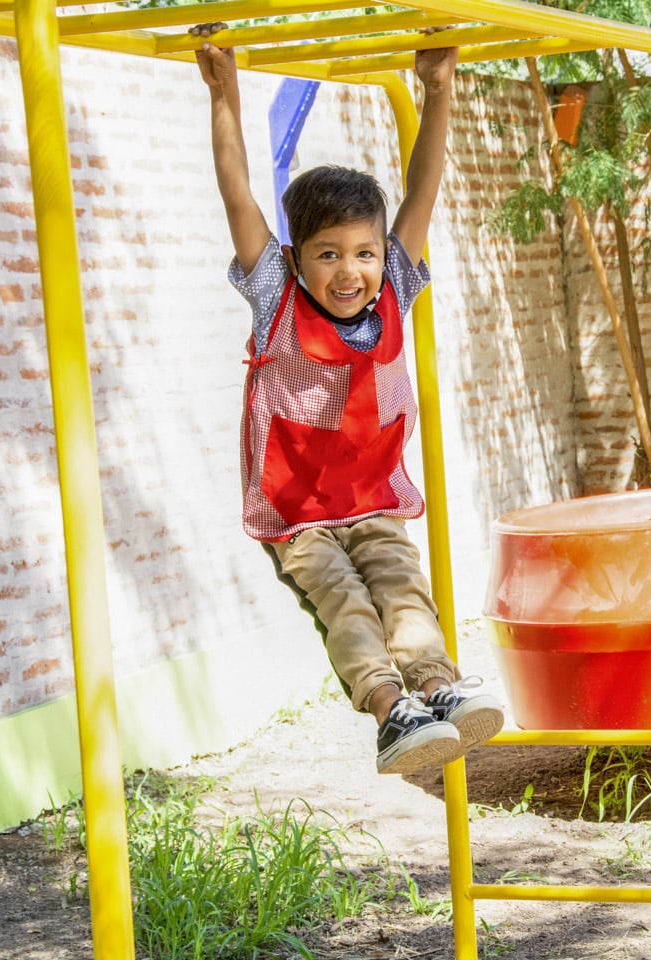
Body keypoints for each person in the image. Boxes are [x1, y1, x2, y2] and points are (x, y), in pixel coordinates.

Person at [192, 22, 502, 775]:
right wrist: (225, 95)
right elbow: (238, 194)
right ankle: (389, 709)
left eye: (363, 252)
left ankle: (435, 685)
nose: (350, 271)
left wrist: (438, 89)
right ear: (296, 260)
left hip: (370, 497)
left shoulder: (395, 286)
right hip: (297, 512)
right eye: (328, 254)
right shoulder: (276, 297)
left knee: (403, 588)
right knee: (346, 600)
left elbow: (422, 190)